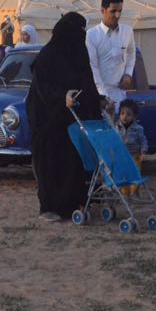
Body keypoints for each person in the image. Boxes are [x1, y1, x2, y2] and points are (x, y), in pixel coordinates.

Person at [26, 12, 101, 222]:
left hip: (71, 118)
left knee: (73, 160)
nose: (81, 35)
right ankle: (49, 206)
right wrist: (62, 98)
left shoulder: (79, 53)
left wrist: (99, 101)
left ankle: (74, 204)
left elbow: (87, 83)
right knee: (50, 161)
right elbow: (43, 89)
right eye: (77, 30)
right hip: (46, 118)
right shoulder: (48, 56)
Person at [86, 0, 136, 111]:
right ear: (103, 10)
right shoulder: (91, 35)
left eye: (120, 11)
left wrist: (128, 74)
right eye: (113, 11)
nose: (117, 15)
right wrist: (103, 95)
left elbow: (131, 53)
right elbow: (92, 67)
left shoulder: (127, 31)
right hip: (99, 95)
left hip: (120, 93)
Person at [117, 99, 147, 166]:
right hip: (121, 155)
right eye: (122, 113)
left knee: (135, 171)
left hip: (134, 155)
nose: (124, 116)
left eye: (128, 114)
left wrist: (143, 153)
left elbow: (143, 142)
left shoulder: (138, 129)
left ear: (134, 117)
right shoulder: (116, 127)